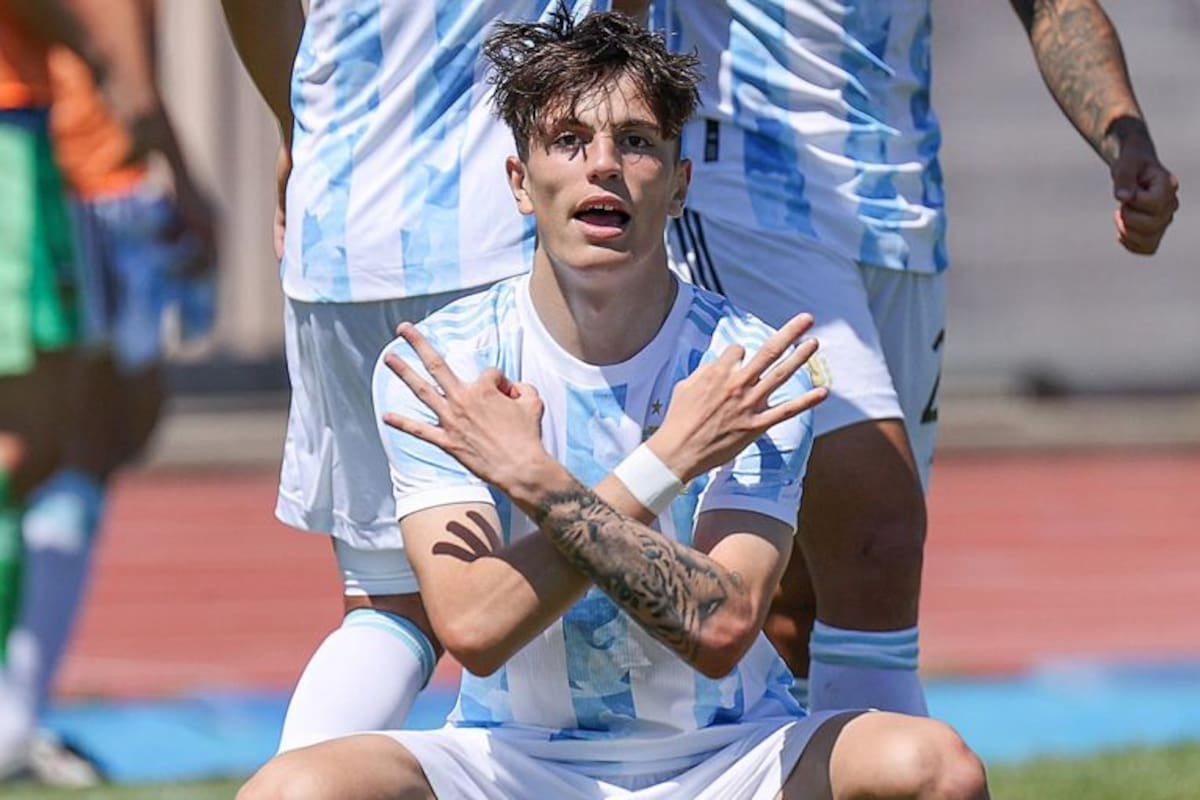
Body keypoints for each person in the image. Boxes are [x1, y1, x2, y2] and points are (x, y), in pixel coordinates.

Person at [239, 11, 989, 799]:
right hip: (514, 763)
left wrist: (535, 478)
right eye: (569, 141)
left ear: (679, 182)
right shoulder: (442, 367)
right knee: (292, 791)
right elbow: (474, 629)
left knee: (934, 768)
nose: (604, 166)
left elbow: (722, 627)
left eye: (635, 140)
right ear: (520, 184)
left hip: (729, 759)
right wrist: (664, 462)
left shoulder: (751, 366)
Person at [644, 0, 1180, 715]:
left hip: (902, 210)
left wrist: (1126, 137)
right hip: (744, 194)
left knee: (806, 596)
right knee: (878, 538)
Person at [221, 0, 647, 752]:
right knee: (581, 567)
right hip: (506, 228)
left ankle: (296, 780)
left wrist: (298, 126)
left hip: (342, 234)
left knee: (387, 603)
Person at [0, 0, 210, 781]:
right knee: (61, 433)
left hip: (67, 149)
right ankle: (12, 715)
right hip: (72, 161)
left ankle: (16, 712)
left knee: (76, 435)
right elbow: (115, 54)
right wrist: (157, 142)